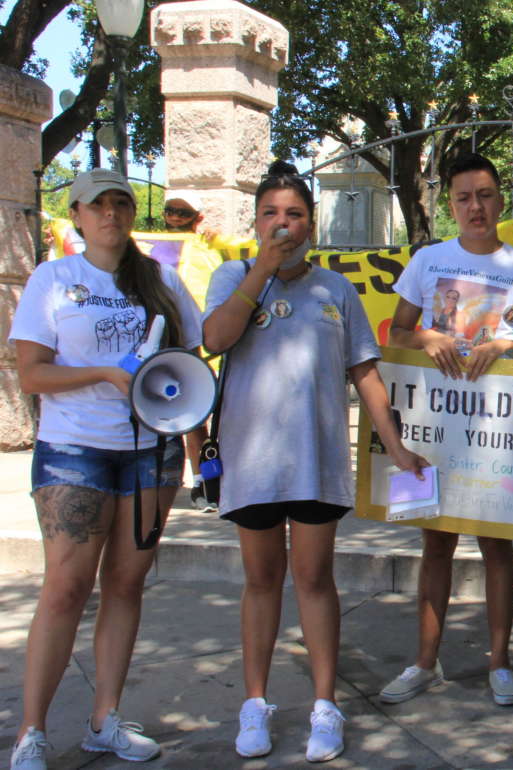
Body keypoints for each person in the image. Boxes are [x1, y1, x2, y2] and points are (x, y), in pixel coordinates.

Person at [202, 160, 428, 762]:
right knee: (260, 581)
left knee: (313, 579)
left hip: (317, 462)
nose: (284, 224)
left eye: (295, 214)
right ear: (254, 221)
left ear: (313, 224)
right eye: (272, 214)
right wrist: (262, 273)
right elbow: (216, 338)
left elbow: (366, 373)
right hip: (252, 463)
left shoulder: (335, 290)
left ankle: (325, 707)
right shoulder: (232, 276)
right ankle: (255, 704)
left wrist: (396, 443)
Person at [8, 169, 204, 769]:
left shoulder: (163, 281)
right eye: (98, 205)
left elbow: (188, 370)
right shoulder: (54, 279)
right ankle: (31, 732)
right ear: (78, 217)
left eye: (122, 202)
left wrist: (200, 457)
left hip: (150, 452)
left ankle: (105, 719)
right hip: (76, 450)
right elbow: (32, 374)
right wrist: (104, 375)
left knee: (126, 584)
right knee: (66, 587)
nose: (112, 214)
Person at [385, 153, 513, 707]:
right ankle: (423, 662)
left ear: (500, 199)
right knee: (435, 542)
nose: (475, 207)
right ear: (450, 205)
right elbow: (398, 334)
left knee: (496, 544)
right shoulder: (430, 260)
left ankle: (500, 663)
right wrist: (428, 340)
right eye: (463, 198)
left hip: (500, 430)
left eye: (484, 195)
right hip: (437, 425)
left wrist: (508, 343)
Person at [161, 189, 220, 512]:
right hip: (156, 347)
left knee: (197, 421)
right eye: (170, 211)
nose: (174, 218)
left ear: (197, 219)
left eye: (183, 214)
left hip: (193, 346)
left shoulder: (210, 249)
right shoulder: (139, 247)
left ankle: (205, 482)